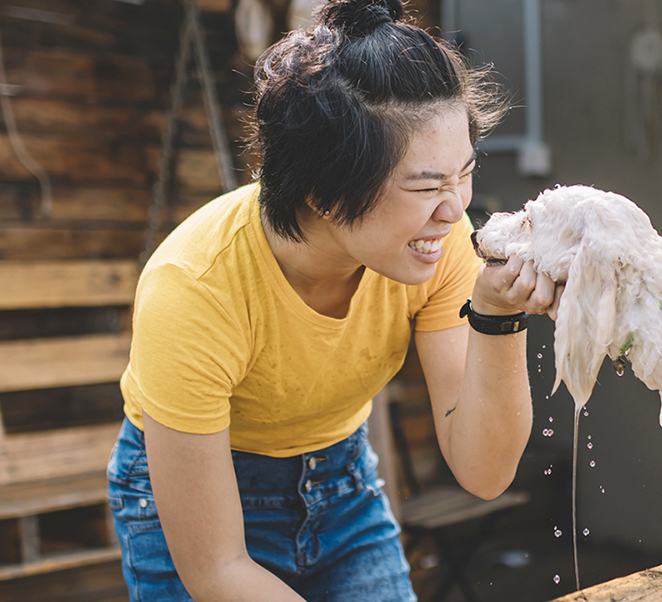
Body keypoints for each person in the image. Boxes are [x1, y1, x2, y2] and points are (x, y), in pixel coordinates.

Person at [107, 1, 557, 600]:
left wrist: (498, 317)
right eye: (425, 186)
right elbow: (216, 569)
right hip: (192, 494)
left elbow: (484, 472)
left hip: (341, 480)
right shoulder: (194, 287)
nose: (454, 211)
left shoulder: (442, 245)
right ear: (322, 191)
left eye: (463, 174)